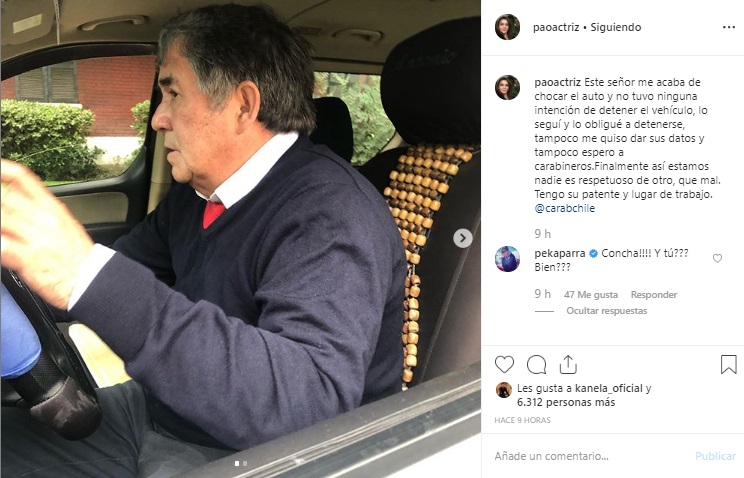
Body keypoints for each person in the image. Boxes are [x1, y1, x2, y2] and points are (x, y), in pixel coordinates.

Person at [0, 4, 406, 477]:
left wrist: (83, 274)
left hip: (254, 451)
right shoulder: (198, 196)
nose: (158, 118)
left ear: (243, 105)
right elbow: (115, 270)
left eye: (173, 93)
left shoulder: (331, 212)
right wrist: (26, 269)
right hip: (166, 411)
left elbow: (306, 401)